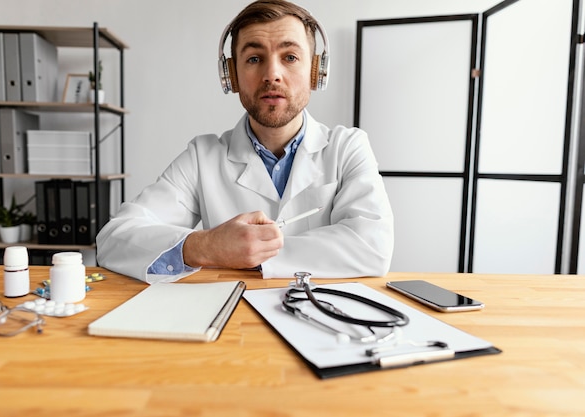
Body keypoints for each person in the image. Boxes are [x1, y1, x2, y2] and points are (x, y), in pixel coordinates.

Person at [96, 0, 394, 283]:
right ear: (232, 76)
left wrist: (250, 255)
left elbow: (373, 247)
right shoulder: (203, 157)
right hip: (234, 323)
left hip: (324, 319)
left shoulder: (347, 147)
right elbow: (113, 240)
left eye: (290, 57)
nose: (272, 74)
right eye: (254, 58)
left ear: (316, 71)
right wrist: (206, 246)